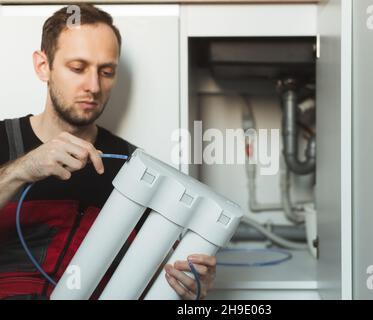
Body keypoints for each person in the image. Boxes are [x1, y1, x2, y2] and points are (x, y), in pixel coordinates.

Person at [0, 4, 216, 300]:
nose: (93, 86)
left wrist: (187, 284)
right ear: (43, 66)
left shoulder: (135, 168)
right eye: (77, 68)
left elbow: (154, 273)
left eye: (106, 71)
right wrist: (22, 169)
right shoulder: (4, 140)